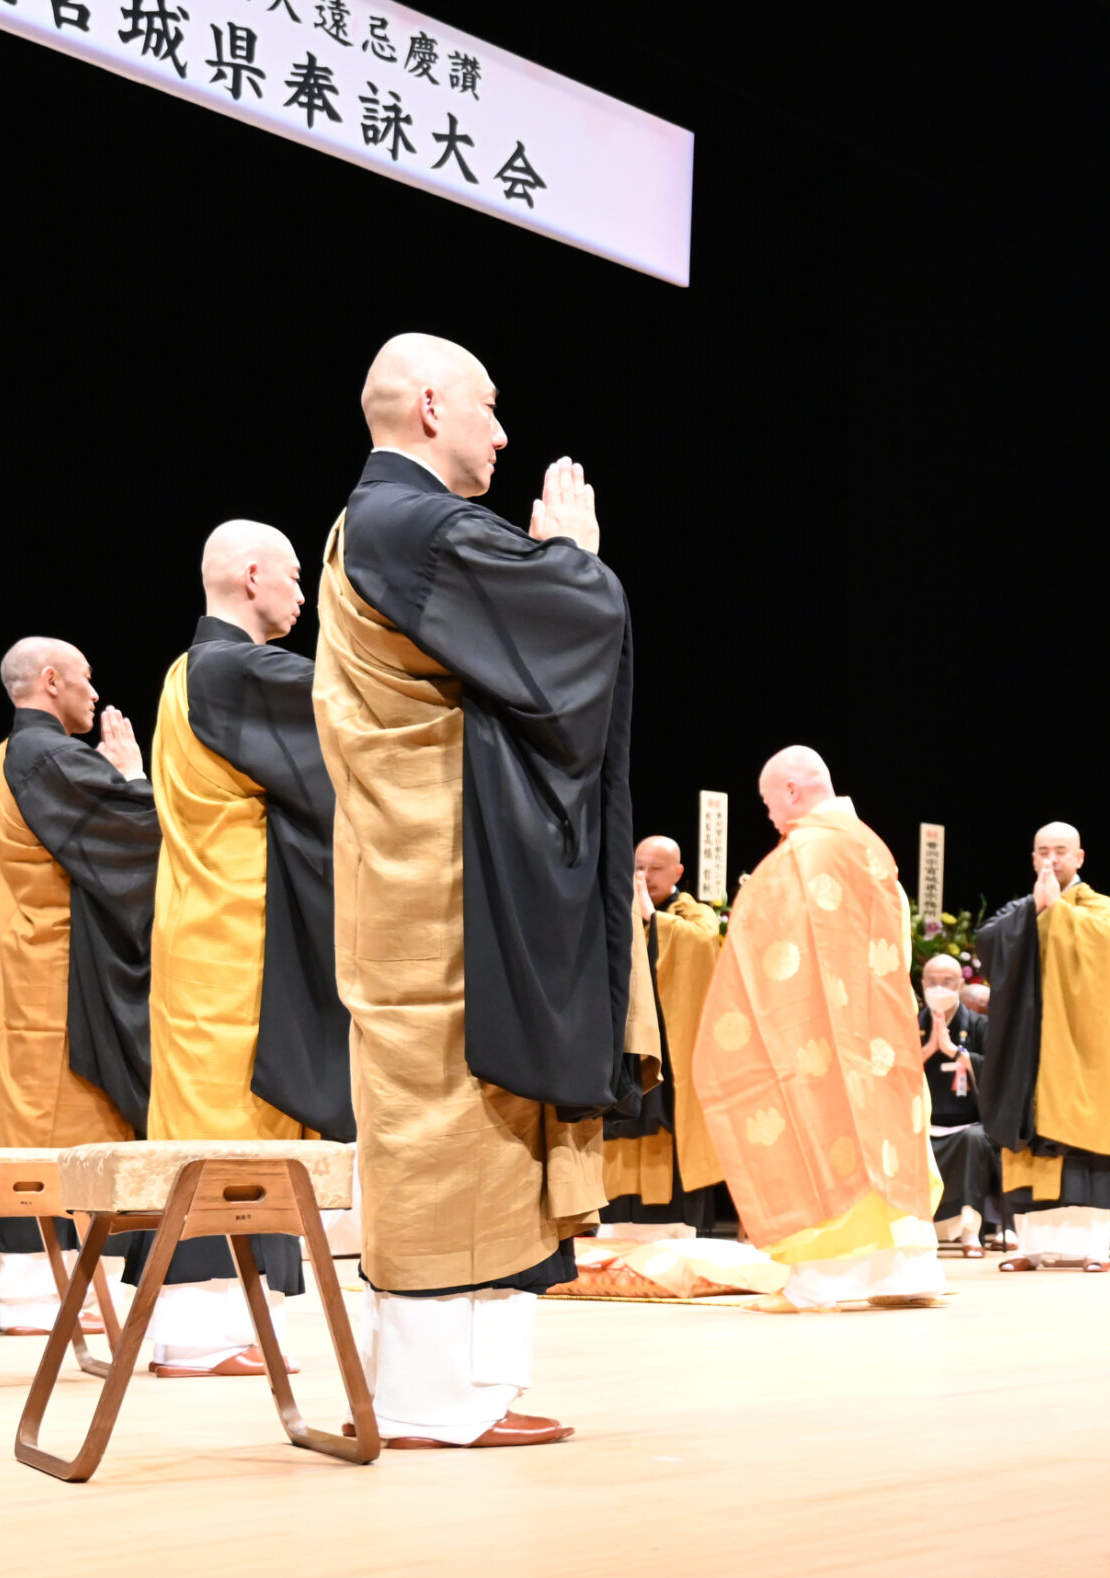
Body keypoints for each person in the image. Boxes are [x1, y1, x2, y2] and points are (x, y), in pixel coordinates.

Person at [317, 332, 647, 1447]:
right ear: (427, 406)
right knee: (449, 1117)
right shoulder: (408, 524)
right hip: (446, 882)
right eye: (488, 406)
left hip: (428, 869)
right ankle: (429, 1401)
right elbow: (569, 628)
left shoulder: (380, 525)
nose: (502, 433)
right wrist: (577, 558)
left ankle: (471, 1389)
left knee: (475, 1119)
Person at [137, 520, 353, 1376]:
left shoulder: (189, 671)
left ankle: (234, 1325)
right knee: (224, 1130)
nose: (303, 593)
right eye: (296, 575)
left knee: (234, 1129)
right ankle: (198, 1333)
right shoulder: (231, 670)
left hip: (208, 929)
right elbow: (352, 720)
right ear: (252, 574)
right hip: (235, 941)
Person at [694, 747, 940, 1309]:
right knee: (887, 1138)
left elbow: (774, 948)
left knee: (821, 1126)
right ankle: (902, 1274)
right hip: (879, 1029)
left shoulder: (807, 850)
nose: (770, 818)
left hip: (822, 1030)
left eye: (768, 804)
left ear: (792, 790)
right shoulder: (871, 845)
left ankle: (822, 1280)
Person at [0, 637, 161, 1331]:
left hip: (35, 959)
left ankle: (39, 1288)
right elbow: (137, 836)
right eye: (86, 678)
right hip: (60, 974)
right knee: (61, 1119)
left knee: (36, 1114)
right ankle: (36, 1292)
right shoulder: (46, 755)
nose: (95, 692)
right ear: (51, 680)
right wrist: (133, 778)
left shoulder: (13, 753)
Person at [977, 822, 1110, 1272]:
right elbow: (987, 939)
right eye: (1043, 851)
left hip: (1082, 1050)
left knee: (1083, 1144)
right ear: (1032, 859)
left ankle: (1095, 1249)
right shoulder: (1024, 908)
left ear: (1079, 857)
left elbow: (1102, 942)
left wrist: (1054, 909)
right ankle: (1028, 1248)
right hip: (1031, 1048)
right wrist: (1034, 908)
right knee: (1031, 1138)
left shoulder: (1101, 907)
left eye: (1060, 851)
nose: (1051, 859)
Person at [601, 835, 727, 1241]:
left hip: (673, 1045)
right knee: (620, 1119)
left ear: (678, 872)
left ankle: (673, 1225)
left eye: (655, 868)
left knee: (666, 1122)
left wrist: (653, 918)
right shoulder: (615, 910)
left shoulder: (693, 913)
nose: (644, 876)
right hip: (626, 1043)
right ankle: (614, 1223)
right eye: (638, 867)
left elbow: (705, 942)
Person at [918, 951, 993, 1257]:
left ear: (960, 985)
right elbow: (893, 1069)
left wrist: (955, 1052)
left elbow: (995, 1069)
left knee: (974, 1140)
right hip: (923, 1122)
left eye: (947, 981)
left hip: (968, 1122)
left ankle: (969, 1233)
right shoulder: (911, 1024)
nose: (939, 987)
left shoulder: (979, 1025)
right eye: (932, 981)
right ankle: (920, 1232)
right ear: (922, 984)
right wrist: (928, 1049)